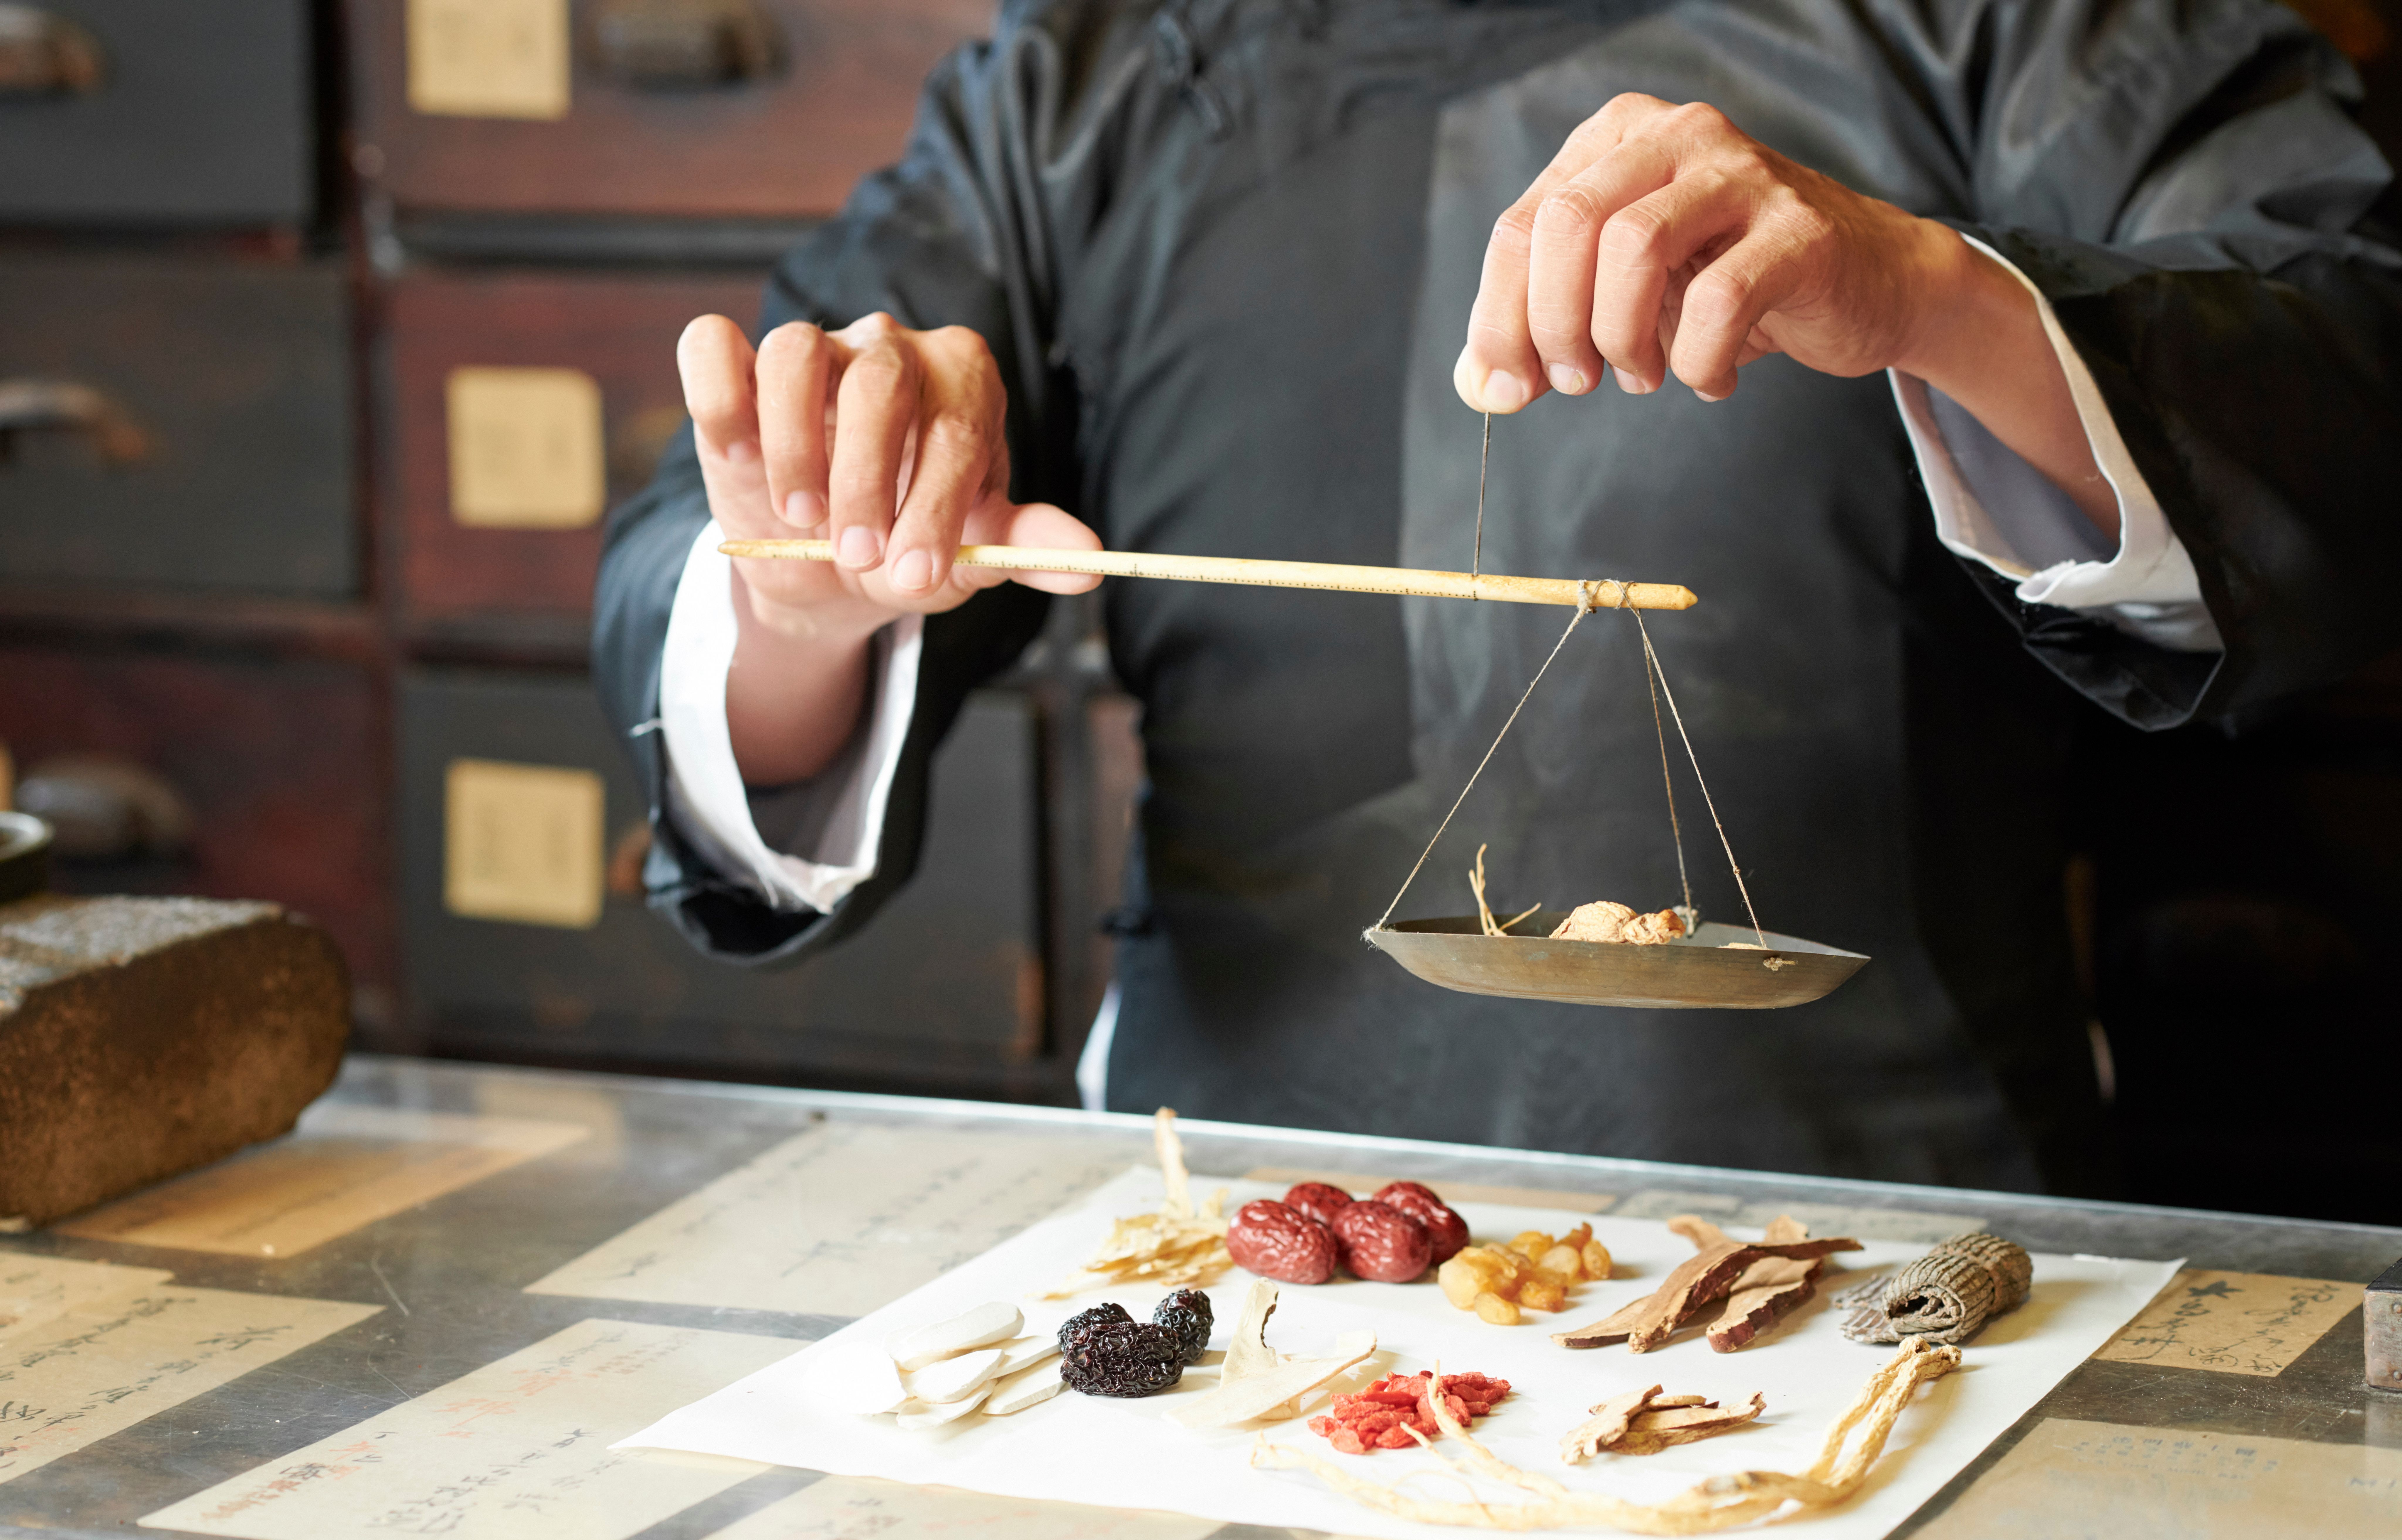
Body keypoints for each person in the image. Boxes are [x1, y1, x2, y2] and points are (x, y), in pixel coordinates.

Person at [596, 0, 2401, 1198]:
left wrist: (1932, 293)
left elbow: (2347, 364)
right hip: (1227, 1243)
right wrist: (814, 583)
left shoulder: (2019, 25)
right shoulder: (1092, 69)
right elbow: (731, 537)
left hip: (1882, 1226)